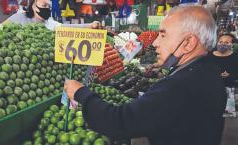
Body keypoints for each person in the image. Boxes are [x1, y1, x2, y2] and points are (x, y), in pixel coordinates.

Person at [64, 5, 227, 145]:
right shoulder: (210, 71)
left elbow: (117, 123)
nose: (155, 43)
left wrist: (81, 93)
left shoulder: (179, 86)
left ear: (188, 43)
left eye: (163, 35)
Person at [4, 0, 101, 30]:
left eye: (48, 6)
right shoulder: (19, 17)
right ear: (33, 5)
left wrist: (90, 25)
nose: (46, 8)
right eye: (44, 5)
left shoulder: (48, 24)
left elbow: (67, 27)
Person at [208, 33, 238, 117]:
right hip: (210, 90)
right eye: (220, 41)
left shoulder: (236, 57)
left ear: (232, 44)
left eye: (226, 42)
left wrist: (230, 75)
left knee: (225, 118)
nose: (222, 44)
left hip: (228, 92)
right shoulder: (209, 56)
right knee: (208, 115)